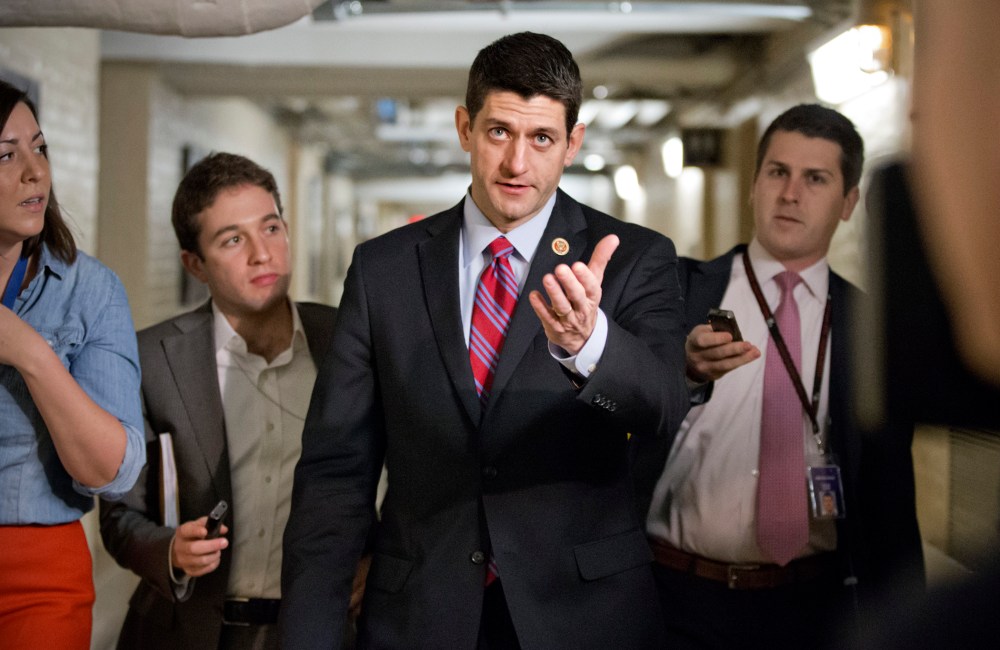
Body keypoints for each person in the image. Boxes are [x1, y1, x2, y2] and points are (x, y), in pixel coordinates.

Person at [280, 31, 689, 649]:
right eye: (500, 132)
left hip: (582, 616)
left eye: (542, 138)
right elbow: (337, 471)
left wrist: (589, 344)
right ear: (465, 127)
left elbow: (662, 405)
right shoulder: (383, 270)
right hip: (421, 615)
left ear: (573, 143)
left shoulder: (633, 259)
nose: (517, 164)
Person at [642, 104, 924, 648]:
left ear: (848, 204)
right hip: (676, 598)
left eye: (815, 179)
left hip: (816, 608)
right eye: (777, 172)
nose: (790, 193)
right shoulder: (676, 294)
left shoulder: (873, 327)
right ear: (753, 186)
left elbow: (890, 499)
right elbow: (618, 412)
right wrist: (682, 370)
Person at [99, 152, 343, 650]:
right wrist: (170, 550)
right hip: (186, 631)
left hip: (322, 628)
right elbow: (119, 515)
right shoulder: (151, 359)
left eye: (271, 228)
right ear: (195, 265)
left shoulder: (347, 340)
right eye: (233, 239)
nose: (262, 253)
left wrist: (376, 557)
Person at [0, 79, 145, 648]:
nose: (35, 172)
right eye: (7, 155)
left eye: (40, 148)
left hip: (38, 575)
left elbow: (114, 472)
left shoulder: (91, 291)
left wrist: (30, 353)